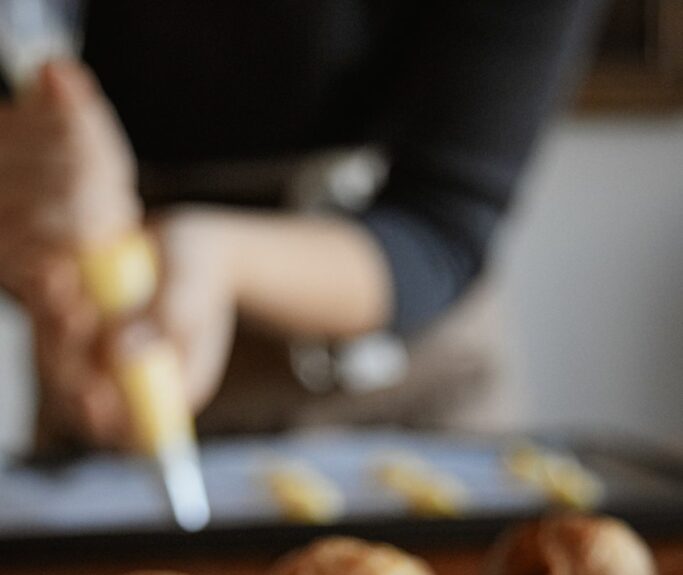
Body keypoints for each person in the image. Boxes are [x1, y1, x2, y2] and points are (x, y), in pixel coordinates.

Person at [0, 1, 606, 448]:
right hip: (107, 378)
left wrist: (211, 256)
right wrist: (36, 227)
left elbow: (441, 232)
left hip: (409, 403)